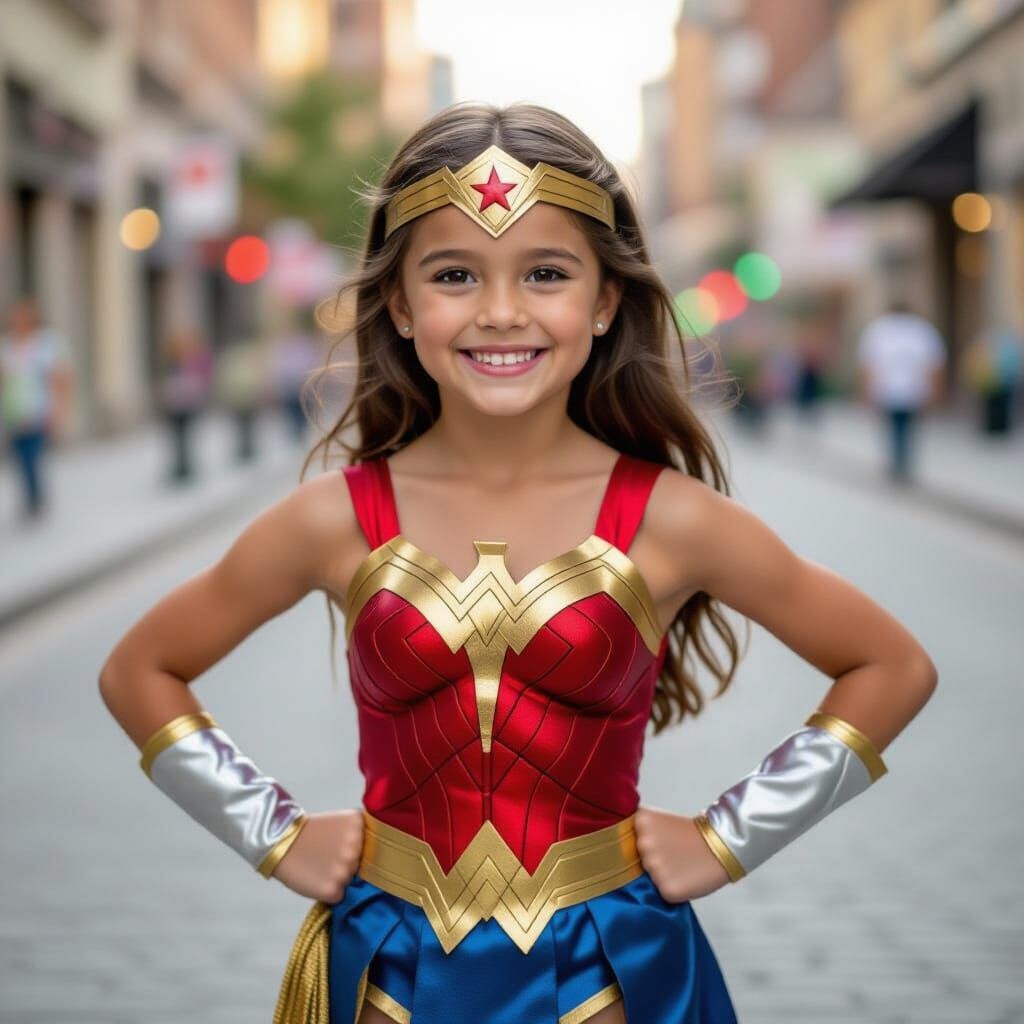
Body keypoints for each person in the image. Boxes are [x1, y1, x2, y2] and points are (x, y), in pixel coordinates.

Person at [98, 103, 939, 1024]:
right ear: (401, 304)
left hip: (608, 973)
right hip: (390, 974)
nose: (501, 312)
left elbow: (890, 665)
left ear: (605, 300)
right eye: (455, 275)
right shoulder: (332, 520)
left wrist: (730, 839)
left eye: (546, 273)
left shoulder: (673, 519)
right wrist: (272, 834)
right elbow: (141, 668)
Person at [856, 299, 947, 482]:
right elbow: (934, 363)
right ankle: (903, 462)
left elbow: (868, 364)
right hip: (913, 390)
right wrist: (936, 390)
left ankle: (897, 463)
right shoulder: (922, 329)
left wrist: (866, 391)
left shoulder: (879, 329)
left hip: (888, 389)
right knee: (907, 428)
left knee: (894, 427)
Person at [0, 296, 73, 521]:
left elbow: (61, 378)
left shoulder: (46, 344)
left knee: (32, 456)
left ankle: (36, 500)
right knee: (19, 458)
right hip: (13, 412)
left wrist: (60, 410)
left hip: (38, 410)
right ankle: (31, 498)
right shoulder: (7, 346)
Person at [157, 326, 214, 483]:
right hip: (174, 404)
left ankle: (186, 467)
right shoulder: (171, 362)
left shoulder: (193, 360)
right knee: (176, 438)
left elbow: (201, 379)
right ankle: (179, 467)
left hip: (187, 403)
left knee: (187, 437)